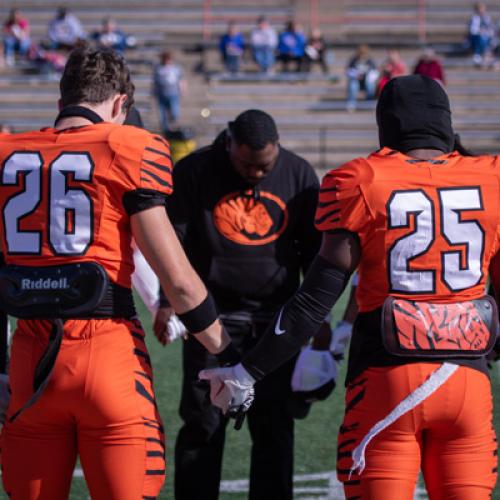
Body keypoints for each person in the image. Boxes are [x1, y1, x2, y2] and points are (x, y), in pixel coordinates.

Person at [201, 75, 500, 499]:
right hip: (468, 383)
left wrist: (247, 371)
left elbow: (314, 299)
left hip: (388, 379)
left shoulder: (362, 179)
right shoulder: (492, 178)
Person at [0, 46, 233, 499]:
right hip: (107, 355)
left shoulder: (11, 154)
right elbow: (179, 281)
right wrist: (227, 352)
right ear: (121, 103)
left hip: (30, 359)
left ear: (62, 99)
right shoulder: (126, 147)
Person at [152, 109, 330, 500]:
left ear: (277, 148)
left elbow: (315, 253)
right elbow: (172, 241)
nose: (257, 174)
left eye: (265, 166)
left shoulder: (299, 174)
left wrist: (319, 317)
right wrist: (168, 300)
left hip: (276, 326)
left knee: (274, 427)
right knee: (203, 424)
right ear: (229, 142)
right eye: (248, 165)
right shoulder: (195, 170)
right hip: (210, 322)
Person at [152, 50, 185, 133]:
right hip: (161, 94)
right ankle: (165, 130)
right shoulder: (158, 68)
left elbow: (181, 80)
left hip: (173, 93)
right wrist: (153, 91)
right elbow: (155, 81)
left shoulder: (176, 68)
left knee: (174, 112)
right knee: (162, 114)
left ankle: (173, 124)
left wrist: (182, 90)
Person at [345, 44, 378, 111]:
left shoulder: (370, 61)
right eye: (361, 54)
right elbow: (348, 71)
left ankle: (369, 103)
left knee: (370, 85)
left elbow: (375, 72)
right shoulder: (353, 60)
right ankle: (351, 104)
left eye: (364, 54)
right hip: (356, 81)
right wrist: (355, 75)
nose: (362, 56)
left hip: (367, 81)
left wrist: (368, 76)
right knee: (353, 85)